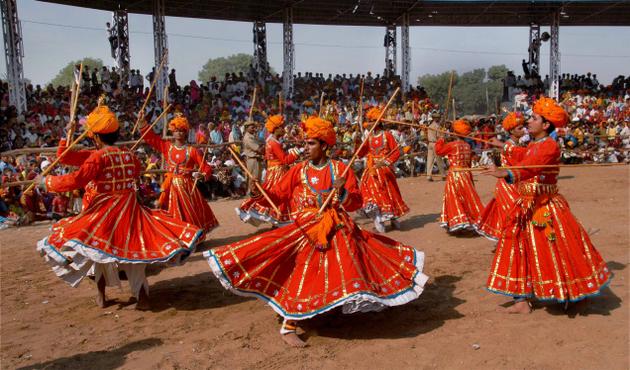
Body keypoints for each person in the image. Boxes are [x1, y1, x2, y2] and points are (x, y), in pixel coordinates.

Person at [204, 116, 428, 348]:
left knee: (350, 260)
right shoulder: (298, 170)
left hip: (336, 224)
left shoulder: (341, 169)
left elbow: (356, 202)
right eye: (306, 143)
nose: (306, 148)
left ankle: (330, 306)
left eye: (311, 143)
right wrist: (257, 192)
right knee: (302, 270)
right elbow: (277, 196)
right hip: (304, 227)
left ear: (325, 145)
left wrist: (342, 193)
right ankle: (289, 325)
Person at [35, 102, 202, 310]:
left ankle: (102, 296)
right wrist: (66, 137)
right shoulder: (129, 156)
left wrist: (48, 182)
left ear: (95, 137)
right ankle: (142, 298)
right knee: (135, 253)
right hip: (130, 210)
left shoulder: (96, 157)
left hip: (105, 212)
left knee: (98, 253)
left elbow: (76, 180)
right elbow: (134, 170)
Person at [483, 97, 611, 313]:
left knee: (557, 249)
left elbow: (532, 166)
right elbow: (524, 156)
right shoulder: (534, 144)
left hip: (544, 206)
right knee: (517, 246)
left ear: (545, 125)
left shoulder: (550, 146)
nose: (528, 122)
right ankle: (521, 300)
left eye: (533, 118)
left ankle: (573, 293)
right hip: (526, 203)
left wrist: (507, 172)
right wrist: (506, 148)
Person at [139, 112, 219, 237]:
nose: (179, 133)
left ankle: (191, 237)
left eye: (181, 130)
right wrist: (142, 122)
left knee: (188, 213)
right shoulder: (167, 147)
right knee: (170, 212)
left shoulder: (192, 151)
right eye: (176, 130)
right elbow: (151, 138)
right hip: (169, 187)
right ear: (172, 131)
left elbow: (206, 168)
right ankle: (175, 236)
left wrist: (201, 175)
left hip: (186, 188)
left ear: (186, 132)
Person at [237, 114, 300, 225]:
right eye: (282, 126)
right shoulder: (274, 143)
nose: (284, 129)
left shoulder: (271, 141)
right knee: (280, 195)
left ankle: (277, 219)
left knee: (272, 193)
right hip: (278, 173)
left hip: (274, 171)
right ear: (276, 129)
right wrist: (297, 151)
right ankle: (279, 218)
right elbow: (285, 160)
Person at [474, 112, 525, 241]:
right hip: (509, 186)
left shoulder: (513, 145)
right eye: (520, 128)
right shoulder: (508, 146)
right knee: (512, 214)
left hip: (515, 183)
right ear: (512, 131)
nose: (523, 129)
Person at [357, 107, 409, 232]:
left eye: (370, 122)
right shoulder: (369, 137)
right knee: (371, 192)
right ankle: (379, 220)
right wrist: (357, 143)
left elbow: (396, 152)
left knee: (389, 193)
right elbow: (360, 153)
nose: (368, 125)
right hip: (371, 169)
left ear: (377, 122)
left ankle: (393, 218)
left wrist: (385, 162)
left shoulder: (387, 135)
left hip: (384, 169)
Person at [435, 119, 484, 233]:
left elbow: (439, 151)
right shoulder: (467, 145)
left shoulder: (452, 145)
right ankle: (470, 221)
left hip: (455, 175)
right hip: (466, 174)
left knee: (455, 197)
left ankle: (460, 221)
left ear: (455, 132)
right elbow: (469, 163)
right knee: (467, 197)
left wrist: (441, 139)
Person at [241, 120, 263, 192]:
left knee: (257, 179)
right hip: (252, 160)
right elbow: (258, 149)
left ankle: (256, 194)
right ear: (247, 128)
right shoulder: (248, 138)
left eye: (254, 127)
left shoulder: (252, 136)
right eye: (252, 128)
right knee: (254, 179)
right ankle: (253, 195)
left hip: (256, 159)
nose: (254, 129)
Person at [426, 113, 446, 181]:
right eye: (438, 118)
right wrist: (443, 135)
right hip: (435, 143)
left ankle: (428, 176)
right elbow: (439, 136)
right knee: (439, 159)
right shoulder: (437, 126)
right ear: (435, 118)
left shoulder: (430, 125)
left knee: (430, 160)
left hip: (430, 143)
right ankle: (443, 175)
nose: (439, 119)